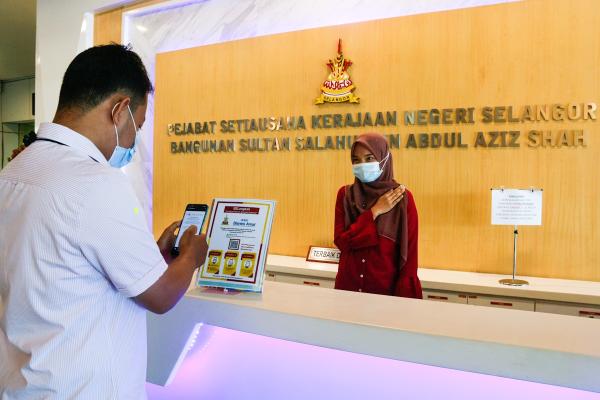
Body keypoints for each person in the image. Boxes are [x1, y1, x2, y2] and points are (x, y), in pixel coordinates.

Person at [0, 44, 208, 399]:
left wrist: (152, 256)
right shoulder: (96, 182)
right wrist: (192, 256)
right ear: (120, 110)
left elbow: (58, 266)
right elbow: (160, 297)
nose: (133, 141)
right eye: (138, 127)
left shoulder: (13, 172)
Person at [334, 133, 422, 298]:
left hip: (385, 295)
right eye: (356, 160)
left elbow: (409, 258)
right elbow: (342, 242)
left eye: (369, 158)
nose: (362, 165)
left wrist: (404, 303)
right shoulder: (345, 195)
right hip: (347, 290)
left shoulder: (402, 198)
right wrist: (375, 211)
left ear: (384, 159)